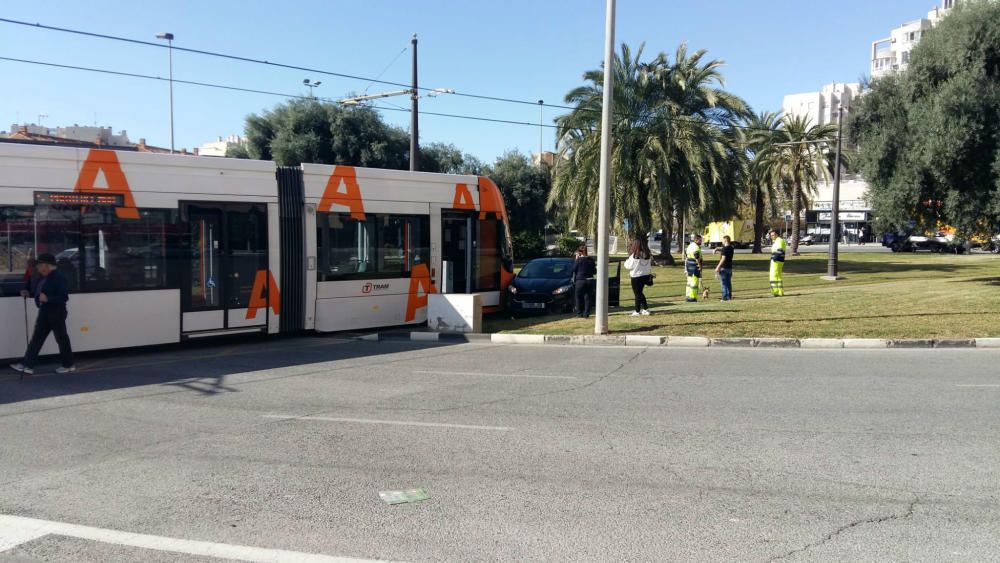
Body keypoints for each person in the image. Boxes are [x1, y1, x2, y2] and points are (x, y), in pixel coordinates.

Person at [10, 253, 75, 377]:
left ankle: (67, 365)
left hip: (56, 312)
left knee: (60, 339)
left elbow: (64, 297)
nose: (37, 268)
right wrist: (28, 292)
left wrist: (48, 299)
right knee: (39, 338)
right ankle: (28, 365)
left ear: (47, 266)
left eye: (39, 265)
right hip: (46, 311)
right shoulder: (44, 276)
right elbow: (39, 291)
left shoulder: (59, 277)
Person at [624, 238, 653, 316]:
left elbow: (628, 266)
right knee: (640, 293)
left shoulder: (634, 255)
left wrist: (627, 260)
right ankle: (646, 309)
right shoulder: (647, 254)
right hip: (645, 276)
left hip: (636, 277)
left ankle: (637, 311)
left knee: (637, 294)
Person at [571, 245, 597, 318]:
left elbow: (574, 269)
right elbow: (595, 271)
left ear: (579, 252)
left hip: (580, 281)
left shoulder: (578, 260)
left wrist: (576, 259)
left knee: (578, 297)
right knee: (588, 297)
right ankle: (586, 313)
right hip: (589, 280)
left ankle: (579, 313)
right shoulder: (591, 260)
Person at [714, 235, 734, 301]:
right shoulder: (731, 248)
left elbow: (723, 258)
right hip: (729, 267)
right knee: (728, 283)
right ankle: (729, 296)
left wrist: (718, 267)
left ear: (725, 240)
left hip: (724, 267)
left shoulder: (724, 249)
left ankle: (724, 297)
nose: (722, 241)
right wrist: (717, 249)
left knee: (723, 283)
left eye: (722, 240)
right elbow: (723, 250)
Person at [684, 234, 703, 302]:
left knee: (689, 281)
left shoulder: (690, 245)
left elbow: (686, 255)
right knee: (694, 282)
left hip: (689, 264)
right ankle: (692, 297)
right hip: (694, 265)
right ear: (696, 240)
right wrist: (699, 266)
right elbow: (697, 256)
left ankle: (688, 296)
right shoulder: (696, 247)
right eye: (700, 240)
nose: (701, 241)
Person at [768, 229, 786, 297]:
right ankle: (779, 292)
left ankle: (776, 292)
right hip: (777, 260)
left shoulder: (779, 241)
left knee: (774, 276)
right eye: (771, 235)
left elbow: (780, 251)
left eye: (773, 235)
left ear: (777, 234)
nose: (771, 236)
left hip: (776, 260)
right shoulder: (778, 241)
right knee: (777, 276)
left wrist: (774, 259)